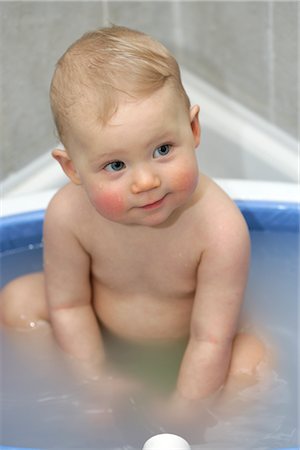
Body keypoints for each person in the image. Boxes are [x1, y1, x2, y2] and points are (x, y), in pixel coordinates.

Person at [0, 26, 266, 412]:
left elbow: (212, 338)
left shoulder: (218, 228)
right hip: (99, 333)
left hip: (195, 346)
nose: (145, 181)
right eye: (116, 165)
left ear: (192, 130)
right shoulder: (69, 215)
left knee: (253, 359)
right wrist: (93, 381)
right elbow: (69, 306)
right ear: (73, 169)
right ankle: (54, 400)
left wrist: (186, 409)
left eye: (162, 149)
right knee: (17, 301)